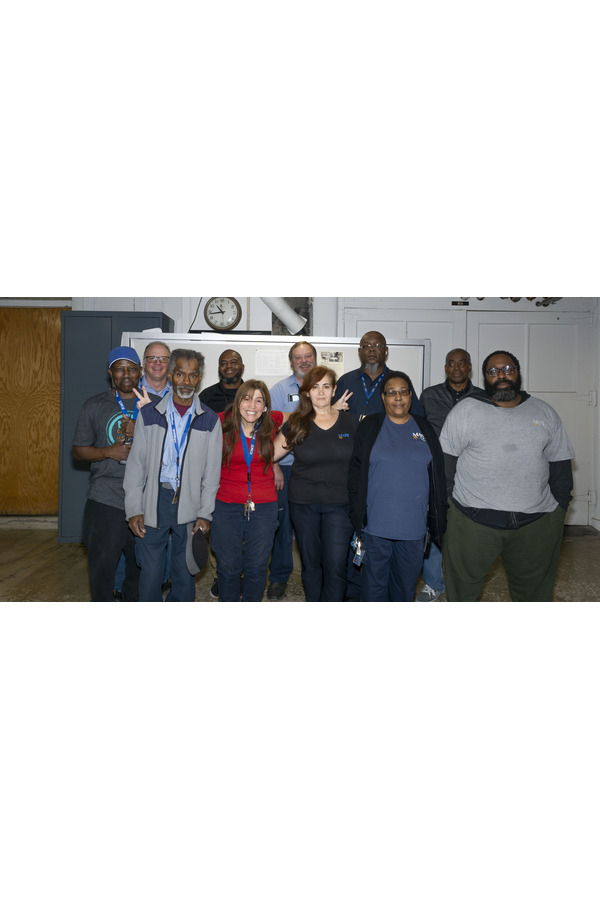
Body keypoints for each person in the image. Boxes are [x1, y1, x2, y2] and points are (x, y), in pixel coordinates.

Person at [439, 350, 574, 602]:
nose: (501, 375)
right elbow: (445, 466)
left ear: (518, 372)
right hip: (472, 521)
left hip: (535, 524)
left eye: (508, 369)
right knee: (462, 594)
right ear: (484, 377)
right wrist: (451, 507)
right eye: (493, 371)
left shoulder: (544, 412)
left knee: (533, 596)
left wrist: (559, 509)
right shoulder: (465, 410)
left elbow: (560, 465)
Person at [124, 349, 222, 602]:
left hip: (189, 503)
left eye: (192, 376)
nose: (186, 382)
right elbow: (136, 466)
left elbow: (212, 474)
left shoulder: (209, 420)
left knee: (184, 571)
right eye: (180, 374)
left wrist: (205, 513)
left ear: (198, 379)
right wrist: (134, 508)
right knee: (151, 571)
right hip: (154, 501)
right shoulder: (150, 414)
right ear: (170, 375)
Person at [348, 371, 447, 602]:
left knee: (404, 590)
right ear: (383, 398)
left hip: (413, 529)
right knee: (373, 590)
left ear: (411, 396)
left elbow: (438, 477)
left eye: (403, 392)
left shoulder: (424, 428)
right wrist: (356, 515)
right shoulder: (370, 426)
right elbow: (355, 473)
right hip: (375, 528)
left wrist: (438, 518)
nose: (398, 397)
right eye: (391, 393)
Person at [273, 366, 358, 601]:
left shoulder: (350, 423)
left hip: (340, 505)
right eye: (315, 386)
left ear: (334, 391)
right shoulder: (297, 423)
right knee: (311, 566)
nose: (321, 392)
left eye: (326, 386)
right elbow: (268, 454)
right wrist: (274, 465)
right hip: (304, 505)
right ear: (307, 392)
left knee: (335, 565)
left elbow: (364, 464)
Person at [72, 345, 142, 602]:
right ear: (110, 372)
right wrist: (109, 452)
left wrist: (142, 431)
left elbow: (169, 448)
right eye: (120, 369)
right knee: (102, 569)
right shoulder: (94, 405)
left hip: (144, 498)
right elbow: (78, 451)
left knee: (139, 568)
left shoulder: (154, 406)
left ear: (140, 372)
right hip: (105, 497)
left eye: (132, 369)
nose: (126, 374)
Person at [416, 348, 486, 601]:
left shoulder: (484, 397)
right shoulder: (429, 395)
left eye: (462, 363)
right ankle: (435, 583)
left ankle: (461, 584)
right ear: (445, 368)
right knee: (432, 528)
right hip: (434, 474)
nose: (456, 368)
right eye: (451, 364)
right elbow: (417, 431)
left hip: (472, 476)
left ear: (469, 367)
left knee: (466, 534)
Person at [210, 380, 285, 602]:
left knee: (257, 566)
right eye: (247, 398)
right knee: (228, 566)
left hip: (263, 505)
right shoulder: (220, 422)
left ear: (265, 407)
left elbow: (302, 415)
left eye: (259, 400)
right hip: (226, 503)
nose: (252, 405)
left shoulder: (271, 422)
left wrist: (330, 408)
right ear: (237, 402)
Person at [113, 339, 172, 598]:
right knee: (129, 539)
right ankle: (124, 589)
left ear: (170, 364)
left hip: (164, 481)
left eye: (163, 359)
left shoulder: (181, 392)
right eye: (152, 358)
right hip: (127, 478)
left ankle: (162, 582)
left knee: (162, 544)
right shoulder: (127, 391)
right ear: (143, 364)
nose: (157, 363)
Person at [267, 341, 318, 599]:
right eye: (298, 357)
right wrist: (274, 466)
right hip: (286, 469)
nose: (304, 361)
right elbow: (270, 432)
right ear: (291, 362)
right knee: (283, 528)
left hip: (317, 471)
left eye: (308, 355)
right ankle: (278, 577)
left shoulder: (326, 388)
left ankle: (316, 577)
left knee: (314, 528)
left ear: (315, 359)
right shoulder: (278, 390)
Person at [199, 349, 248, 600]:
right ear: (219, 368)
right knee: (219, 530)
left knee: (244, 530)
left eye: (233, 362)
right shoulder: (207, 396)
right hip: (216, 472)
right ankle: (222, 575)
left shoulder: (251, 394)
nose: (228, 366)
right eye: (223, 363)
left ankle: (240, 575)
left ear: (242, 365)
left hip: (246, 472)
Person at [336, 331, 425, 419]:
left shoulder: (399, 382)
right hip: (353, 433)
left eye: (378, 346)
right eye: (367, 346)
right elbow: (331, 414)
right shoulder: (345, 381)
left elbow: (417, 418)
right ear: (359, 351)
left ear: (386, 351)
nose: (372, 350)